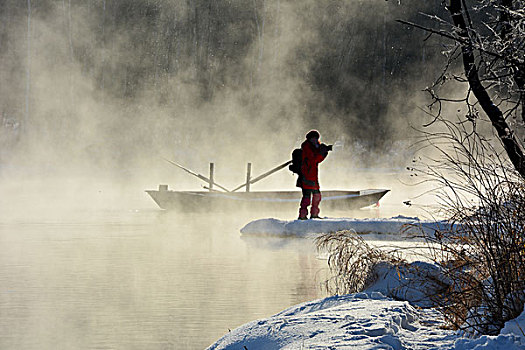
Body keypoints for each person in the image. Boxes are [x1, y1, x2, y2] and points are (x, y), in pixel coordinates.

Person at [298, 130, 332, 220]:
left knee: (317, 196)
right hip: (306, 176)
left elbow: (317, 159)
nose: (315, 140)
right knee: (307, 197)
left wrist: (324, 151)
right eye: (313, 138)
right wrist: (323, 153)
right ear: (309, 139)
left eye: (316, 138)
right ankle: (302, 216)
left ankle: (314, 215)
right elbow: (314, 160)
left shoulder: (314, 147)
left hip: (313, 176)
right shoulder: (307, 147)